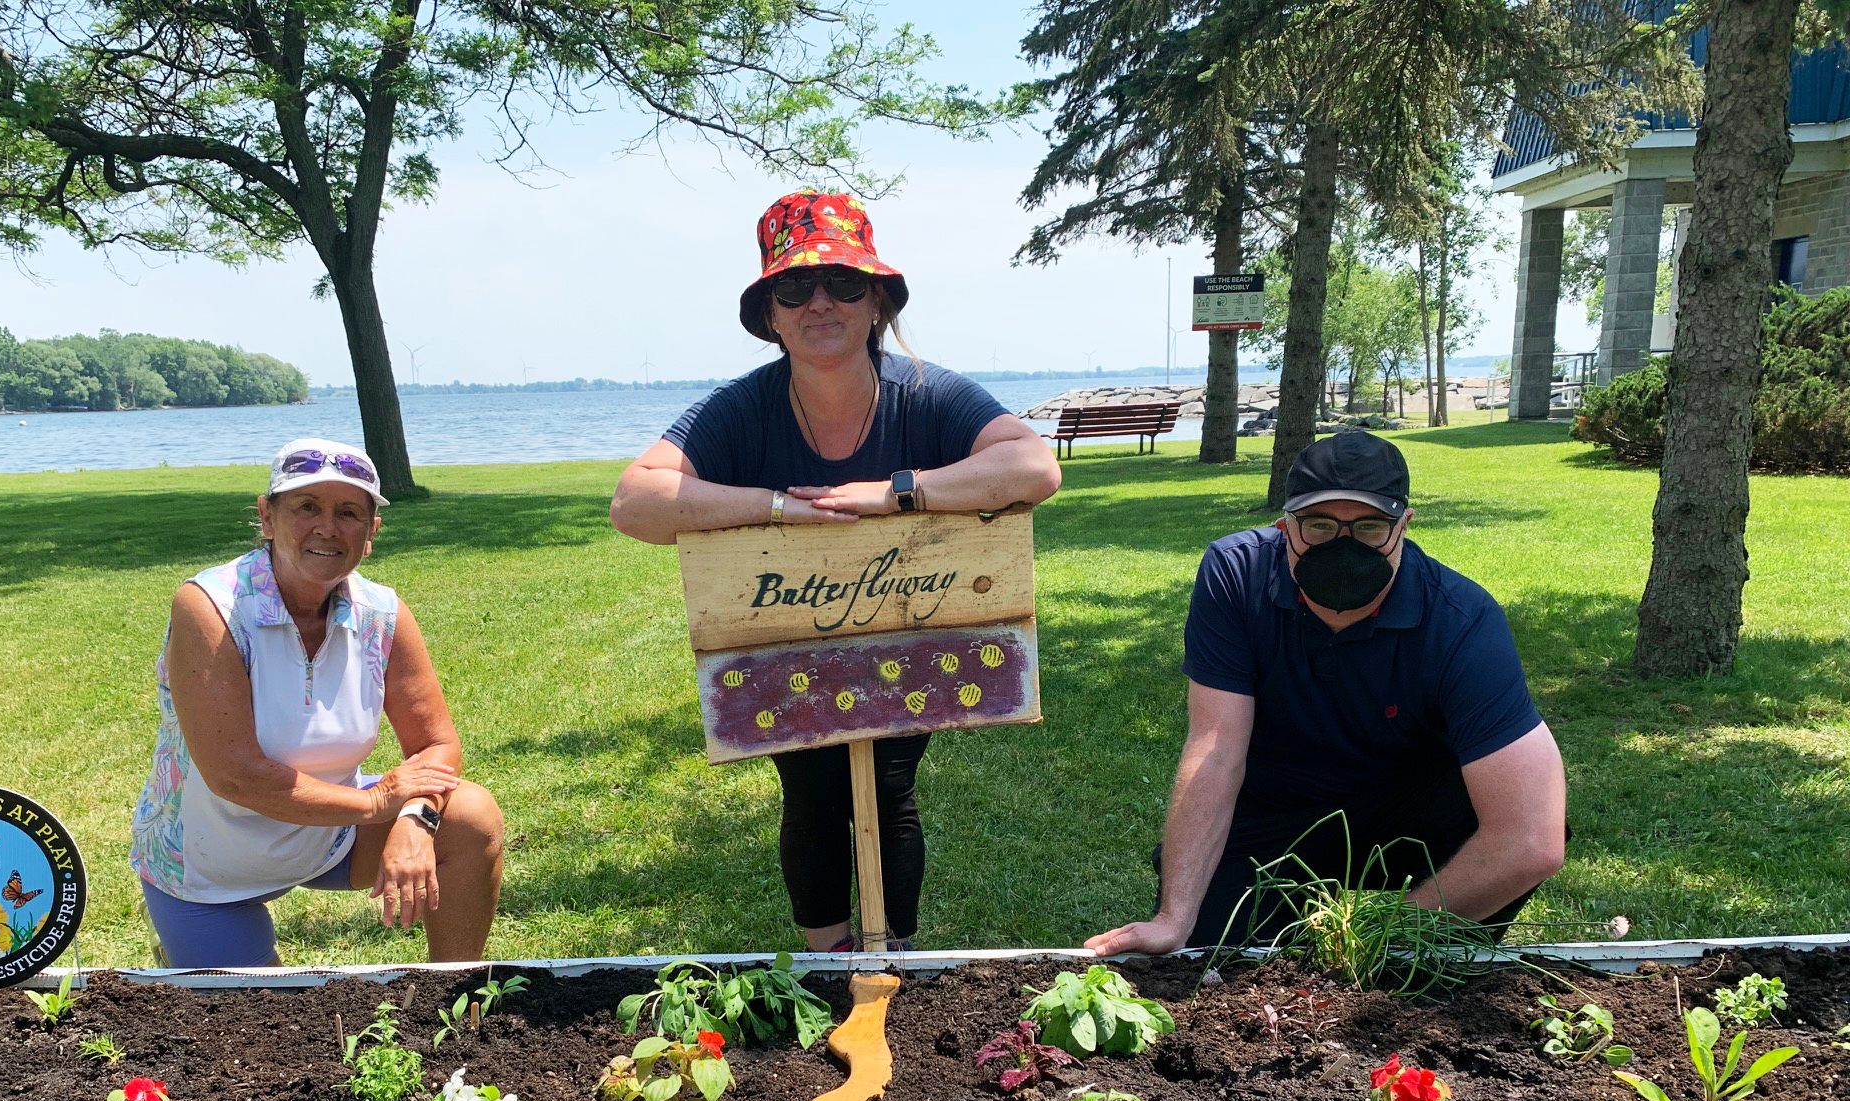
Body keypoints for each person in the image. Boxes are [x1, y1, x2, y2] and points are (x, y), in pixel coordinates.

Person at [611, 191, 1061, 951]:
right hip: (785, 634)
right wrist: (777, 507)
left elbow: (1033, 468)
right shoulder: (741, 408)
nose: (820, 302)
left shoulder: (925, 390)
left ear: (877, 302)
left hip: (906, 626)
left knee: (888, 784)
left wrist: (899, 492)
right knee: (812, 786)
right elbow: (636, 502)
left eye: (844, 283)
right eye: (795, 288)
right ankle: (829, 953)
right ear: (772, 315)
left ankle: (895, 949)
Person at [1086, 429, 1566, 957]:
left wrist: (1378, 941)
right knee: (1212, 955)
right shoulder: (1236, 575)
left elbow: (1531, 839)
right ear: (1284, 525)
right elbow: (1216, 749)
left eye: (1368, 527)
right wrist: (1173, 916)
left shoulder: (1461, 620)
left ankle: (1417, 945)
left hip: (1409, 808)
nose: (1342, 546)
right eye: (1318, 525)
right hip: (1276, 806)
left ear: (1403, 527)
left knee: (1412, 975)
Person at [131, 438, 505, 968]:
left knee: (469, 815)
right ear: (267, 517)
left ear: (371, 533)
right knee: (250, 1041)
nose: (328, 527)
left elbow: (436, 745)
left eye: (349, 512)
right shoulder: (211, 606)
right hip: (208, 868)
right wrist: (381, 804)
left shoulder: (382, 614)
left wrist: (415, 819)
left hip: (330, 836)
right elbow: (236, 775)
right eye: (307, 506)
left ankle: (453, 994)